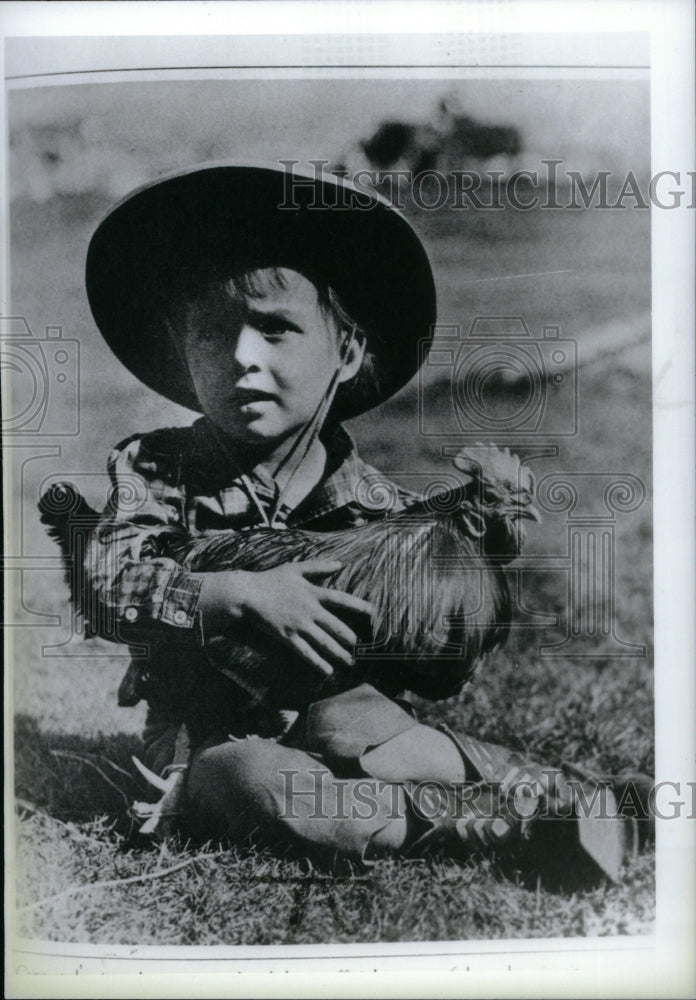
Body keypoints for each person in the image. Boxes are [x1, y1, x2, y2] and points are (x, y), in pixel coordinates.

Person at [79, 162, 646, 884]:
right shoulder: (157, 467)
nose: (243, 357)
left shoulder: (377, 504)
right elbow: (105, 585)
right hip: (205, 730)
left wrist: (467, 581)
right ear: (184, 353)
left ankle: (580, 795)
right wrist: (240, 595)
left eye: (276, 330)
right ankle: (496, 830)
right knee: (267, 784)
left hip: (344, 714)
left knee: (407, 746)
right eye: (214, 334)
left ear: (346, 352)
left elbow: (429, 673)